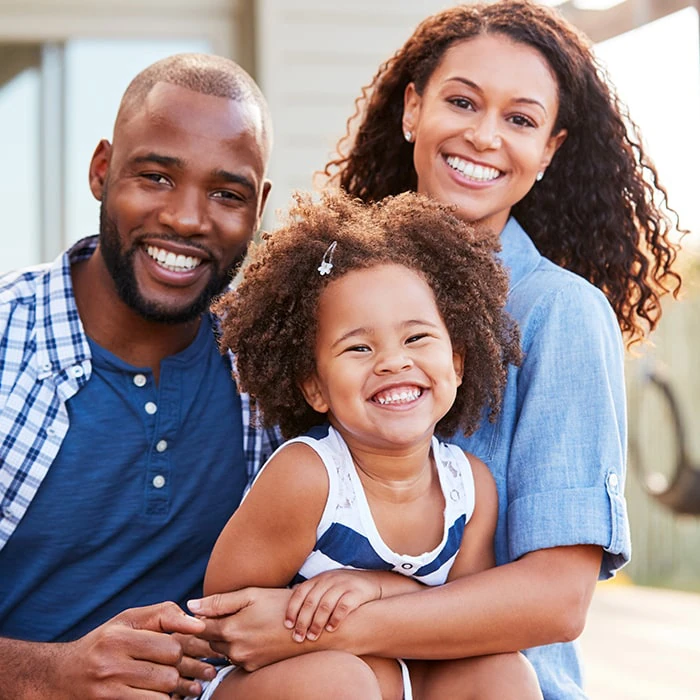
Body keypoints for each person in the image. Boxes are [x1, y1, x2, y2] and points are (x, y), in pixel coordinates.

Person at [188, 2, 685, 698]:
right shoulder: (331, 285)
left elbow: (555, 599)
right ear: (413, 108)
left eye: (520, 119)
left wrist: (340, 618)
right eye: (461, 101)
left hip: (484, 679)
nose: (484, 136)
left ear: (549, 149)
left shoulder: (560, 315)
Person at [0, 53, 281, 699]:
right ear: (102, 171)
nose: (187, 218)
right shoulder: (9, 345)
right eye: (156, 176)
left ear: (259, 207)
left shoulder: (273, 369)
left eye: (226, 193)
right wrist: (56, 674)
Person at [200, 189, 540, 700]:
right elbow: (225, 617)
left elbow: (469, 618)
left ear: (458, 363)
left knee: (502, 673)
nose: (392, 362)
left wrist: (379, 589)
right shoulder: (310, 476)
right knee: (343, 681)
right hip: (285, 684)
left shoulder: (470, 488)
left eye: (417, 338)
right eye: (359, 347)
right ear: (314, 386)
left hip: (403, 679)